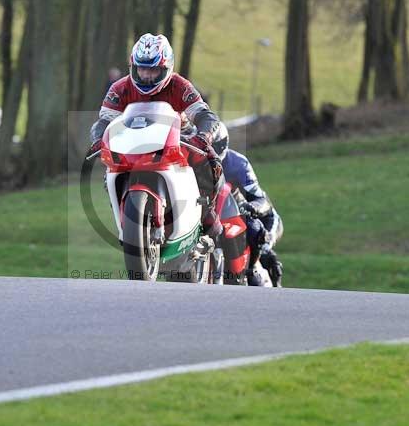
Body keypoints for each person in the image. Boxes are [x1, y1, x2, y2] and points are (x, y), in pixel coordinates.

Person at [89, 33, 224, 237]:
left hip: (179, 142)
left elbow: (206, 115)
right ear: (133, 67)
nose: (146, 75)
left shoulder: (180, 86)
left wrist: (204, 136)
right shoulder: (119, 88)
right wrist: (99, 140)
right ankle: (126, 216)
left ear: (166, 68)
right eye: (141, 68)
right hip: (133, 144)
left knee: (210, 161)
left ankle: (208, 213)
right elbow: (104, 122)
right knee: (109, 171)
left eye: (153, 70)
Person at [212, 123, 284, 286]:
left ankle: (261, 276)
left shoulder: (238, 164)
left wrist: (253, 208)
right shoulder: (194, 159)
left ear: (222, 145)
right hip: (214, 213)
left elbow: (262, 200)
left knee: (256, 234)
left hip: (252, 214)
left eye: (213, 146)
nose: (209, 152)